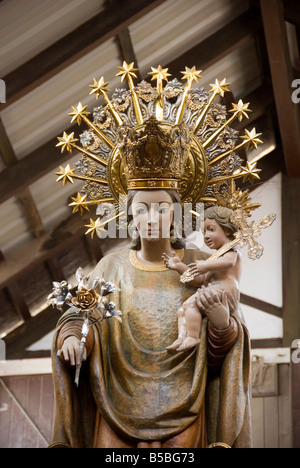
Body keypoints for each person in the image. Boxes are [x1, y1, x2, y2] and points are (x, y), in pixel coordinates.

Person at [50, 189, 252, 448]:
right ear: (130, 215)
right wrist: (72, 336)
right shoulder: (111, 267)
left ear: (175, 215)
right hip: (115, 404)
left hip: (187, 402)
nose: (151, 218)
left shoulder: (205, 262)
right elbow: (81, 314)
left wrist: (222, 326)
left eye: (161, 208)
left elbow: (225, 356)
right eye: (142, 209)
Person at [163, 206, 241, 352]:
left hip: (225, 290)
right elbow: (199, 280)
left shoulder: (231, 249)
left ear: (228, 230)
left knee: (190, 304)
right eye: (204, 231)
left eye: (211, 229)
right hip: (213, 289)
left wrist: (206, 264)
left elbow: (229, 262)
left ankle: (193, 337)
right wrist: (179, 266)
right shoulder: (215, 257)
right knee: (183, 310)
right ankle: (182, 337)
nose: (206, 236)